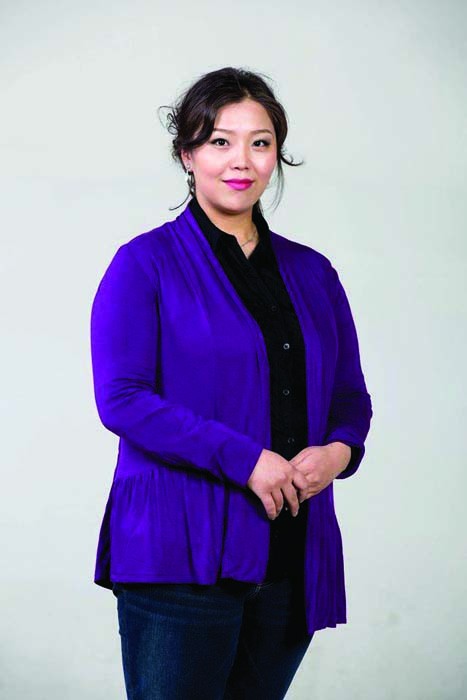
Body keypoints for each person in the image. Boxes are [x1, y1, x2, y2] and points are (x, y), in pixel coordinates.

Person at [90, 66, 373, 700]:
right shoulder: (144, 264)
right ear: (187, 154)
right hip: (179, 552)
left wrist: (338, 452)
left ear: (277, 155)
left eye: (259, 142)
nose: (241, 160)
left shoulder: (313, 273)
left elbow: (349, 398)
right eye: (220, 141)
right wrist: (247, 460)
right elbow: (123, 400)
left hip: (289, 551)